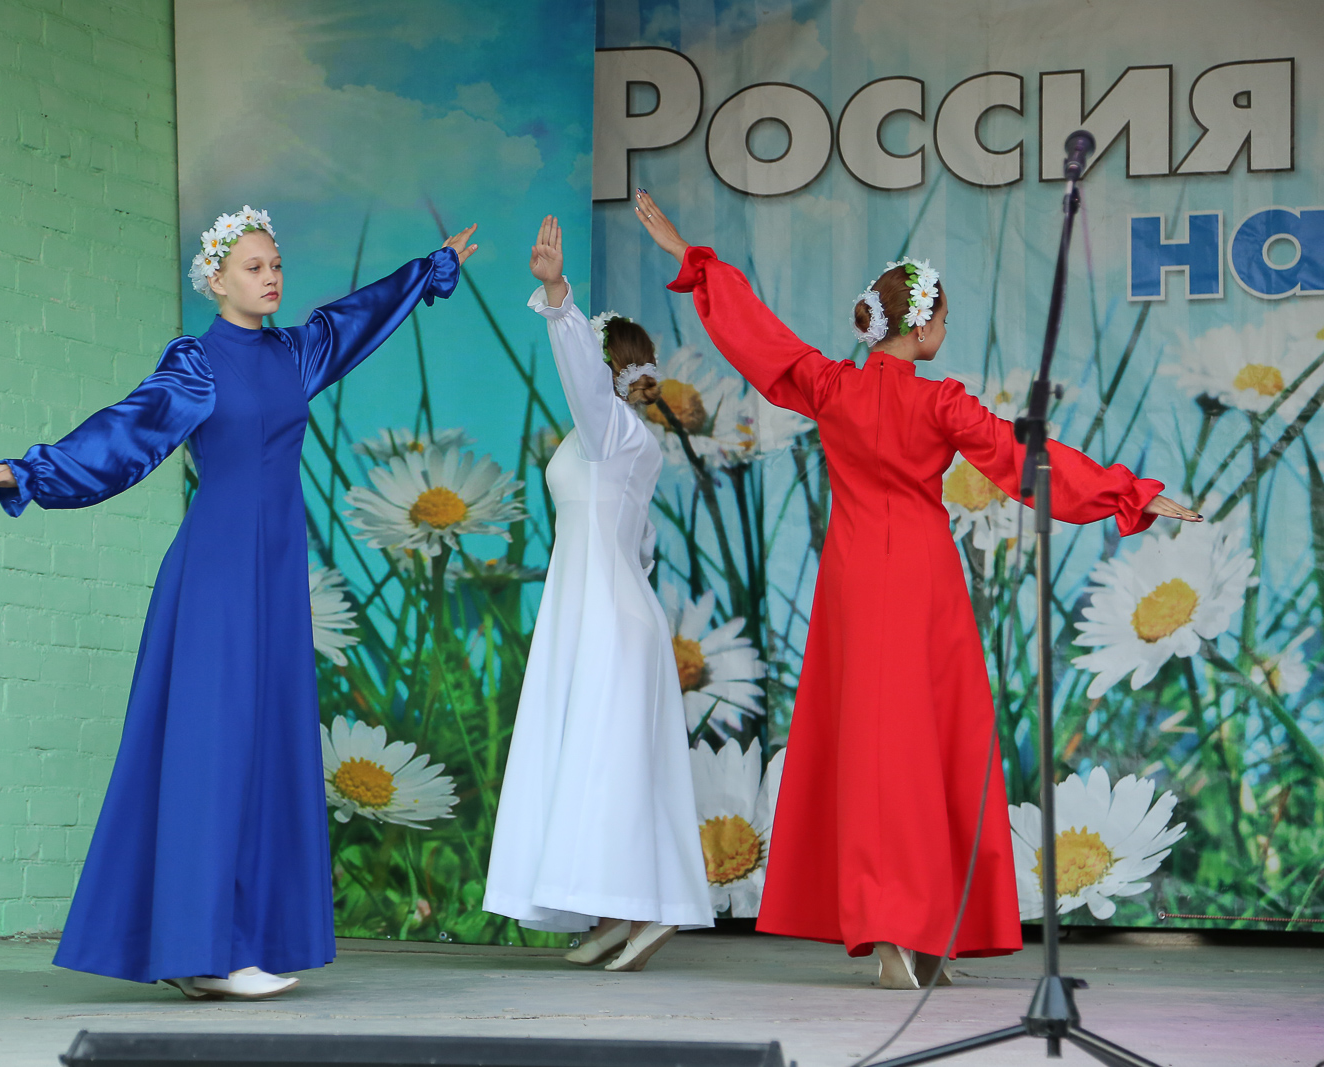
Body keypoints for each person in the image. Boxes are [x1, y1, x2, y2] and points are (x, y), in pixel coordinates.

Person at [631, 189, 1201, 989]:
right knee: (930, 749)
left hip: (853, 581)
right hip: (925, 584)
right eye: (943, 321)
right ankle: (917, 926)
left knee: (869, 750)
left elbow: (761, 341)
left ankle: (895, 929)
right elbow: (1028, 460)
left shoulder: (831, 386)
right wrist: (1128, 494)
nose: (945, 333)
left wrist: (698, 265)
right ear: (922, 326)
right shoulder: (942, 402)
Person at [0, 206, 477, 999]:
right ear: (217, 279)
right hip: (216, 576)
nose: (271, 278)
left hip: (277, 574)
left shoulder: (296, 353)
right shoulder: (196, 363)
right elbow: (127, 431)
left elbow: (356, 318)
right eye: (254, 267)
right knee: (213, 751)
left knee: (265, 750)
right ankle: (202, 948)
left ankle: (234, 944)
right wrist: (31, 470)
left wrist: (427, 272)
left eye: (276, 265)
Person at [483, 216, 713, 972]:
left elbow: (583, 383)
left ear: (606, 367)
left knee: (609, 767)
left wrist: (558, 297)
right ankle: (617, 910)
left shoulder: (613, 430)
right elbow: (640, 543)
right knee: (602, 763)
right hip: (604, 611)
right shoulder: (617, 441)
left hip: (608, 620)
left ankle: (646, 909)